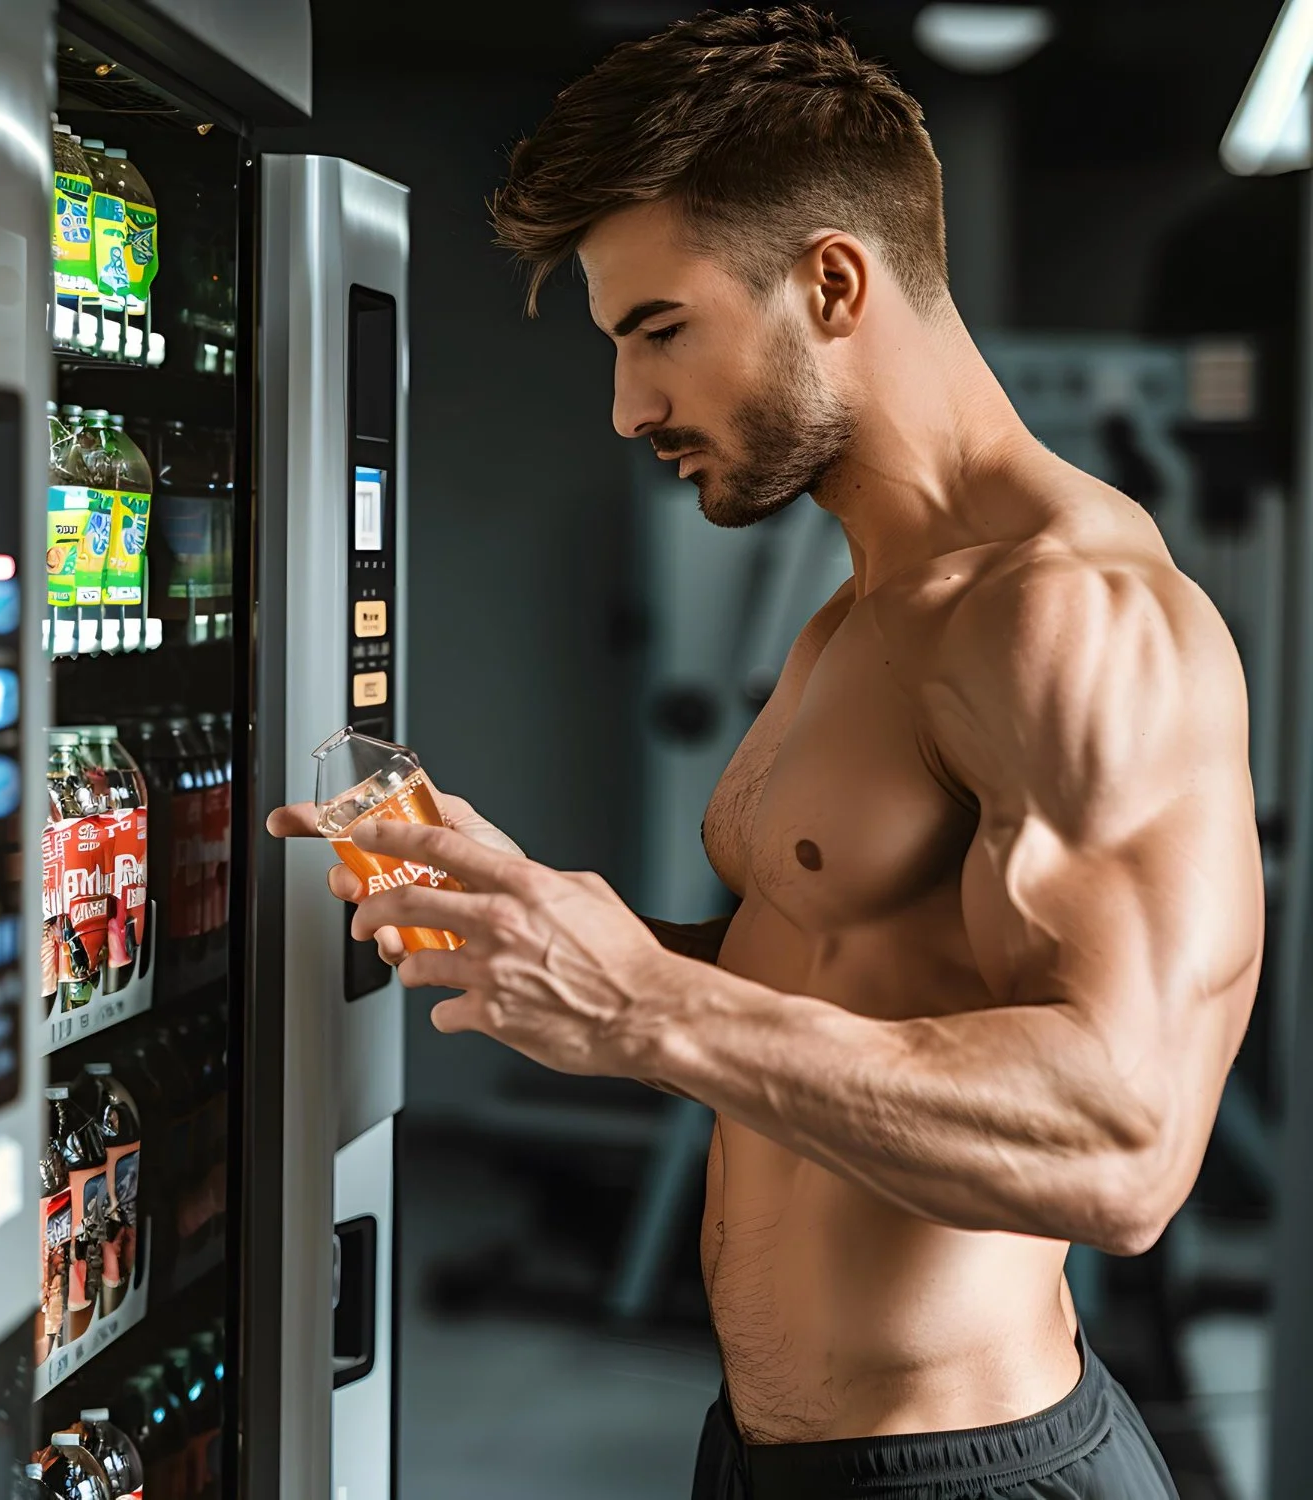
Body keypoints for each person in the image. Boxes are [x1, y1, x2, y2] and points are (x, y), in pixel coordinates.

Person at [268, 8, 1264, 1496]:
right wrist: (541, 921)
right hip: (769, 1455)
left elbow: (1124, 1146)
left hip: (975, 1475)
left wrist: (647, 1001)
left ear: (833, 283)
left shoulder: (1068, 614)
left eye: (659, 334)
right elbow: (834, 973)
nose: (629, 409)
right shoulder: (856, 611)